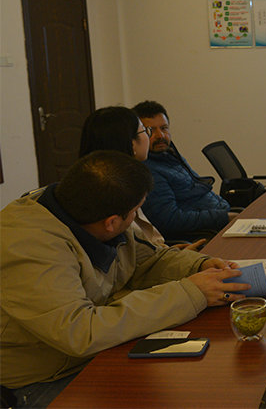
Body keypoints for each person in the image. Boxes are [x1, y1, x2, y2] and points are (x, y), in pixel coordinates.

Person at [0, 151, 249, 407]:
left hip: (99, 351)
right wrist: (192, 293)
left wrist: (199, 265)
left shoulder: (92, 212)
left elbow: (147, 260)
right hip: (44, 377)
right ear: (112, 222)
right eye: (136, 211)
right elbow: (80, 332)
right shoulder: (30, 246)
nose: (136, 218)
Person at [79, 106, 205, 251]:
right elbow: (129, 263)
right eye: (146, 131)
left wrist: (170, 252)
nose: (155, 135)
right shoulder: (119, 188)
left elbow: (140, 250)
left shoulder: (100, 179)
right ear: (131, 143)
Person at [132, 100, 234, 241]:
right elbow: (170, 219)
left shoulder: (169, 155)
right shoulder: (149, 171)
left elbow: (198, 189)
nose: (160, 135)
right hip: (206, 234)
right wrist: (224, 217)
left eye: (164, 128)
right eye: (151, 130)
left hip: (221, 220)